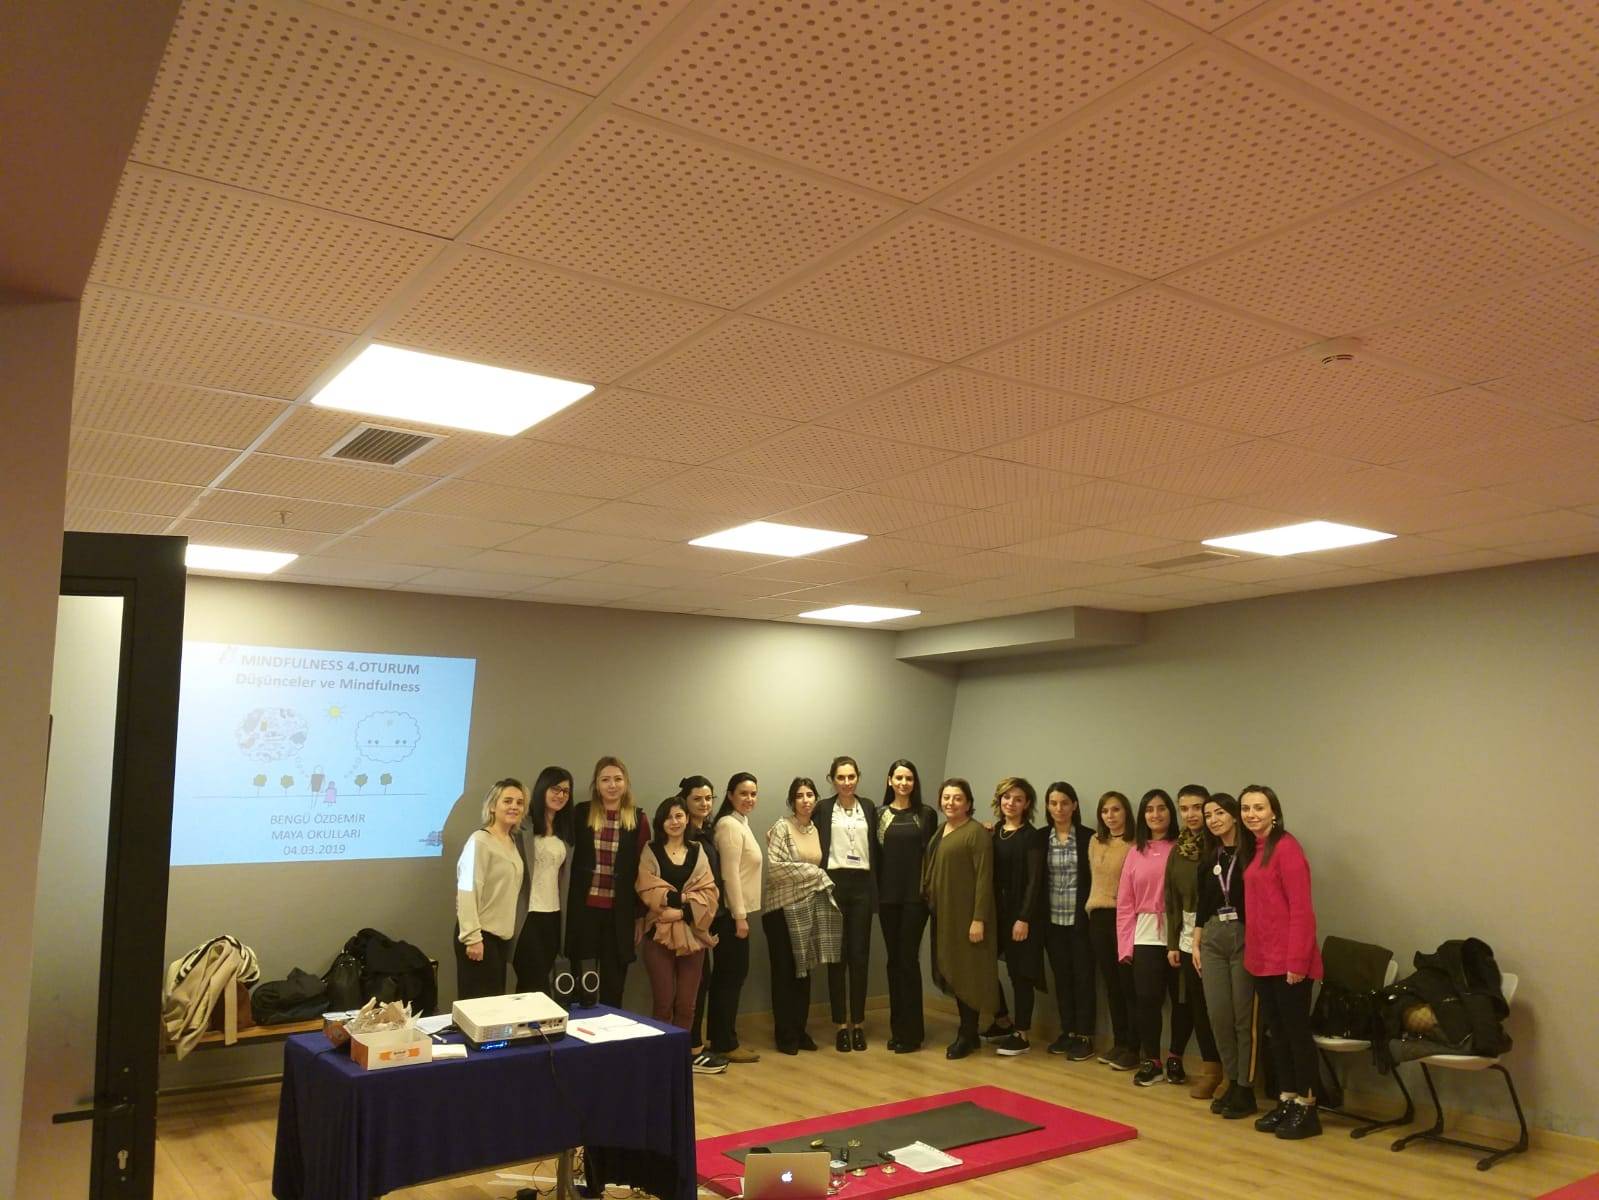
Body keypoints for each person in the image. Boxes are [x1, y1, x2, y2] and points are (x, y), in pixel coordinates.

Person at [1241, 784, 1325, 1141]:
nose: (1251, 814)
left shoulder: (1288, 848)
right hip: (1262, 959)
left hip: (1290, 960)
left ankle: (1308, 1106)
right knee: (1276, 1035)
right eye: (1246, 808)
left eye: (1259, 807)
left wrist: (1297, 961)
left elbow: (1302, 910)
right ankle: (1288, 1099)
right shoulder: (1254, 849)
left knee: (1295, 1035)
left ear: (1274, 812)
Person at [636, 796, 720, 1062]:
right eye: (669, 817)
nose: (674, 822)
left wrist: (681, 911)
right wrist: (681, 899)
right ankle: (661, 1059)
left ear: (687, 819)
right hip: (658, 935)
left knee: (687, 1004)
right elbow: (647, 887)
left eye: (679, 816)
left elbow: (709, 892)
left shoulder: (698, 850)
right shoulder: (651, 850)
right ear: (661, 822)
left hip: (693, 935)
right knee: (663, 1002)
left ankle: (680, 1059)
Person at [763, 777, 841, 1054]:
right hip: (781, 910)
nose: (805, 800)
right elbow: (776, 868)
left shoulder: (817, 829)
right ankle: (785, 1035)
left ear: (816, 799)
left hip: (808, 907)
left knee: (804, 970)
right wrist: (816, 873)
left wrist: (812, 875)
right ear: (792, 801)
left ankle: (800, 1030)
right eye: (799, 795)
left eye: (810, 795)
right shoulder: (782, 827)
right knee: (785, 972)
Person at [922, 778, 999, 1060]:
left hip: (967, 916)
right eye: (946, 797)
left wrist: (978, 918)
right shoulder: (941, 830)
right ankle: (969, 1032)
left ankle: (967, 1033)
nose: (950, 803)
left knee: (968, 974)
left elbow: (984, 878)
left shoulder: (976, 833)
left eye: (957, 798)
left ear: (968, 803)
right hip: (946, 915)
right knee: (953, 969)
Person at [564, 757, 649, 1009]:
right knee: (581, 985)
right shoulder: (581, 813)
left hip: (619, 915)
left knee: (614, 985)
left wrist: (640, 916)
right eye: (605, 780)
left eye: (618, 779)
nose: (612, 785)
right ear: (597, 784)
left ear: (626, 783)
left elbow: (644, 872)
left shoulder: (638, 818)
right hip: (584, 911)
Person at [1193, 792, 1256, 1118]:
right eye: (1208, 815)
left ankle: (1246, 1086)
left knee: (1242, 1017)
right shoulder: (1210, 858)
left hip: (1245, 937)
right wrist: (1196, 940)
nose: (1213, 820)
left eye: (1219, 813)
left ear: (1234, 815)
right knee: (1218, 1015)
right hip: (1213, 937)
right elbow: (1203, 903)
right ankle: (1231, 1079)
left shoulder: (1253, 854)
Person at [814, 755, 881, 1052]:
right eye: (840, 777)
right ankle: (841, 1025)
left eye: (851, 776)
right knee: (837, 958)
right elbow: (804, 830)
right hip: (834, 884)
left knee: (859, 956)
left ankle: (859, 1024)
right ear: (832, 779)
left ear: (858, 777)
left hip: (862, 885)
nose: (846, 782)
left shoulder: (869, 807)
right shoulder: (823, 808)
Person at [1117, 788, 1183, 1088]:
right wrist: (1125, 946)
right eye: (1149, 809)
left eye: (1161, 808)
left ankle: (1175, 1057)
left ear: (1171, 812)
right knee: (1147, 1000)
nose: (1155, 814)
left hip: (1180, 935)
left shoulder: (1183, 848)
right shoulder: (1135, 852)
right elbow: (1125, 903)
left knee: (1182, 1001)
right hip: (1145, 936)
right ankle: (1152, 1060)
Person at [1165, 783, 1224, 1100]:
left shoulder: (1220, 846)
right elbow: (1171, 899)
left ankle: (1232, 1074)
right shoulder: (1178, 849)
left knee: (1220, 1007)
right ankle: (1210, 1070)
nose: (1191, 814)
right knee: (1198, 1007)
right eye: (1184, 808)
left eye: (1197, 808)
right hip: (1187, 938)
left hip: (1217, 935)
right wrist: (1173, 943)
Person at [876, 758, 938, 1053]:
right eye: (899, 778)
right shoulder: (879, 815)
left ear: (915, 783)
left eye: (909, 778)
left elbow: (934, 852)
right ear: (890, 781)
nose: (904, 783)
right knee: (893, 962)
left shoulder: (926, 814)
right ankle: (897, 1030)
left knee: (908, 961)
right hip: (887, 899)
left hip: (915, 899)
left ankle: (912, 1034)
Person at [982, 777, 1046, 1056]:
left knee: (1020, 974)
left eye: (1018, 799)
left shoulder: (1032, 836)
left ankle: (1022, 1034)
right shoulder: (993, 831)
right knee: (983, 966)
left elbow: (1035, 881)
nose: (1011, 803)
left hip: (1020, 915)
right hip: (995, 912)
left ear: (1027, 804)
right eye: (1007, 797)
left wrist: (1024, 918)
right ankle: (1002, 1021)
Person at [455, 778, 527, 1000]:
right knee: (478, 1009)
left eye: (519, 802)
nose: (514, 806)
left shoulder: (512, 841)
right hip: (479, 937)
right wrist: (472, 938)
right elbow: (466, 891)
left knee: (494, 1008)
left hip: (500, 940)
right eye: (507, 801)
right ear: (493, 806)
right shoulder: (479, 841)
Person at [708, 772, 763, 1064]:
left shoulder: (741, 824)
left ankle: (722, 1038)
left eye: (753, 793)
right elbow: (729, 875)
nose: (749, 799)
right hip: (731, 916)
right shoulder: (729, 826)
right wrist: (739, 916)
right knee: (730, 978)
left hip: (737, 914)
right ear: (730, 795)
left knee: (730, 977)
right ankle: (724, 1043)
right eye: (743, 793)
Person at [1041, 781, 1096, 1060]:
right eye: (1053, 803)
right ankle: (1068, 1031)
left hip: (1080, 921)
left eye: (1064, 803)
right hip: (1052, 921)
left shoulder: (1089, 837)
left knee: (1083, 978)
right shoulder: (1041, 838)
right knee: (1061, 978)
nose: (1059, 808)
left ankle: (1085, 1035)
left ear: (1074, 805)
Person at [512, 765, 574, 995]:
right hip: (527, 915)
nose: (560, 795)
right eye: (555, 789)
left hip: (554, 915)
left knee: (542, 981)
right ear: (542, 789)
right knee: (533, 982)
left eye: (565, 791)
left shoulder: (565, 832)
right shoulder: (522, 826)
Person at [1087, 791, 1137, 1070]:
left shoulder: (1135, 843)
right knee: (1111, 985)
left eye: (1116, 810)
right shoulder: (1095, 841)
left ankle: (1134, 1047)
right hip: (1098, 917)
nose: (1110, 816)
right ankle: (1120, 1042)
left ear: (1126, 811)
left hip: (1124, 917)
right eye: (1105, 811)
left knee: (1128, 983)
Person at [677, 774, 723, 1071]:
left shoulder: (707, 832)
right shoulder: (682, 836)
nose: (704, 804)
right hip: (686, 920)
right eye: (697, 799)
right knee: (688, 989)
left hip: (708, 917)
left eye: (708, 798)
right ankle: (689, 1050)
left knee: (701, 983)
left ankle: (696, 1046)